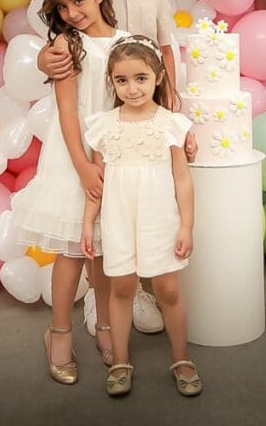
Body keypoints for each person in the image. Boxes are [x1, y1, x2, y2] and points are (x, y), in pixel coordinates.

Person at [38, 0, 191, 337]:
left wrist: (173, 117)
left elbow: (162, 52)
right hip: (86, 134)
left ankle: (121, 303)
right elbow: (59, 51)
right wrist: (45, 59)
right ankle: (80, 317)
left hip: (128, 126)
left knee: (118, 226)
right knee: (80, 236)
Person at [10, 0, 127, 385]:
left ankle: (105, 324)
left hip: (115, 154)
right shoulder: (66, 45)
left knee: (105, 250)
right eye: (62, 7)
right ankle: (58, 332)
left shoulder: (126, 42)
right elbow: (66, 113)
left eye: (78, 0)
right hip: (74, 154)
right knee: (73, 250)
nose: (72, 13)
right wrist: (82, 166)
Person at [81, 35, 201, 397]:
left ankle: (181, 358)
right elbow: (97, 182)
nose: (131, 89)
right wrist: (87, 222)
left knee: (167, 288)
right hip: (118, 219)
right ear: (112, 82)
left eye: (141, 78)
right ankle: (120, 360)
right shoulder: (104, 125)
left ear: (158, 77)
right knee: (121, 287)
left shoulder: (171, 125)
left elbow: (182, 180)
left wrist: (186, 226)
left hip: (159, 217)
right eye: (122, 80)